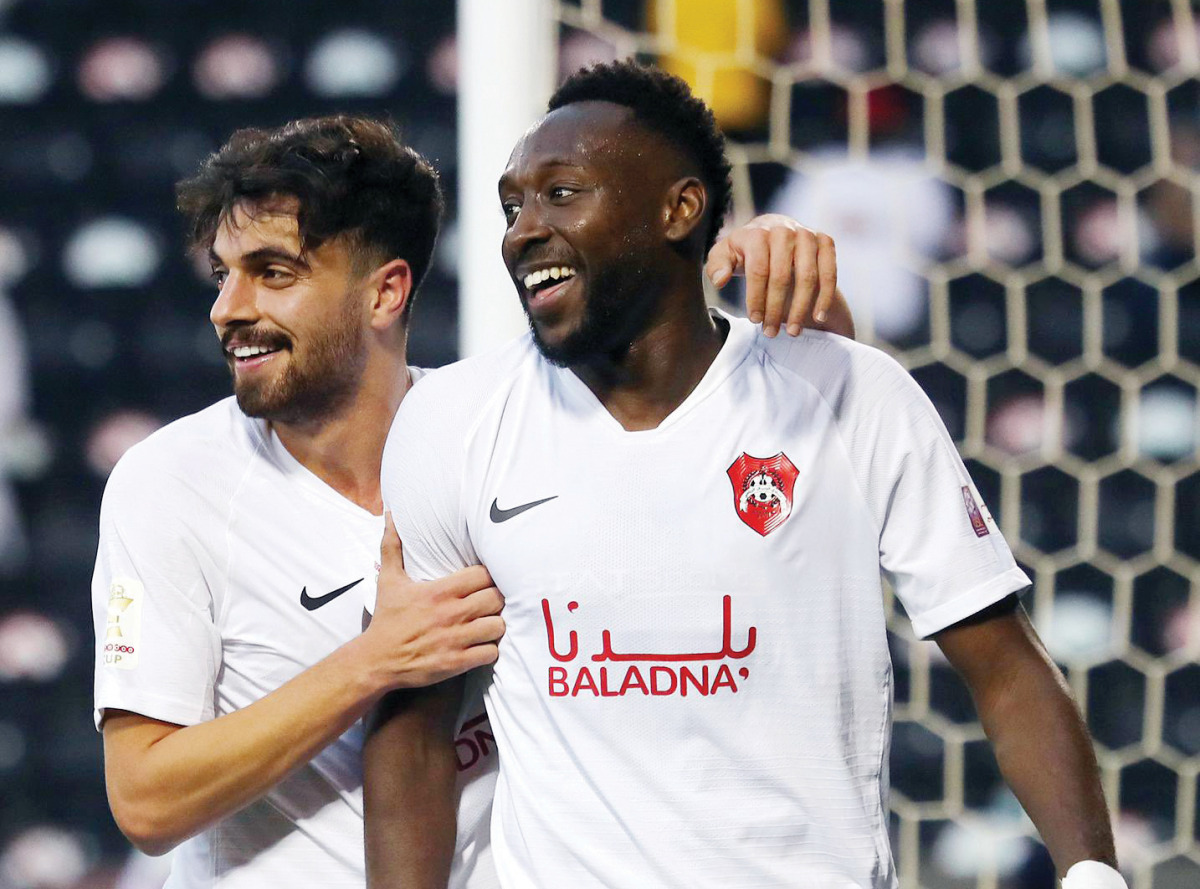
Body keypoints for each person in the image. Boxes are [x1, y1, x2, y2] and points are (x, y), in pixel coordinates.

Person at [366, 62, 1126, 889]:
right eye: (514, 205)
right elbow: (414, 727)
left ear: (679, 209)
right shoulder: (455, 421)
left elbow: (1007, 671)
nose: (522, 230)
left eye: (561, 194)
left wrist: (1094, 876)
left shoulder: (847, 394)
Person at [90, 114, 851, 889]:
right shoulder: (171, 484)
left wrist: (805, 303)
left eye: (273, 273)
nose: (228, 307)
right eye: (223, 274)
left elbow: (779, 473)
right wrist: (372, 663)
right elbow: (146, 799)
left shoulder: (500, 438)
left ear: (386, 291)